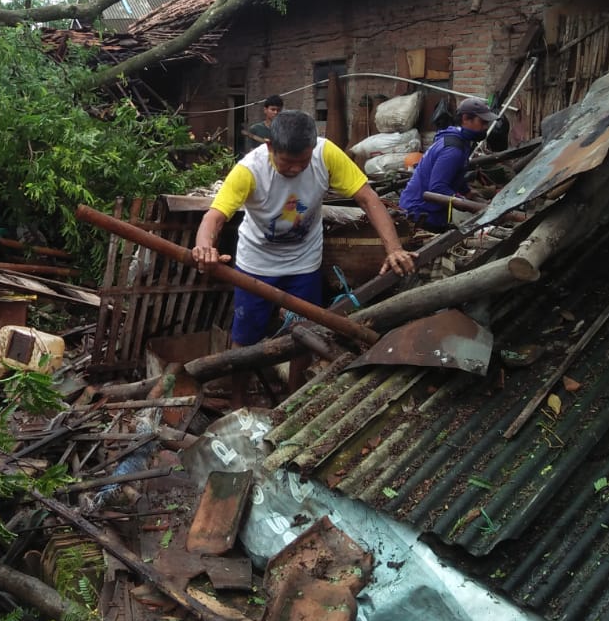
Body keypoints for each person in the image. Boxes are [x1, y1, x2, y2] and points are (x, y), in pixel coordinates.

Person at [193, 110, 416, 403]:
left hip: (304, 264)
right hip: (256, 265)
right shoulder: (249, 170)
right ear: (271, 147)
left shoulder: (326, 154)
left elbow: (367, 198)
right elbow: (215, 217)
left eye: (303, 161)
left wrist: (394, 248)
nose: (297, 169)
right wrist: (204, 247)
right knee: (245, 338)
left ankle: (292, 399)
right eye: (288, 163)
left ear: (313, 147)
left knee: (305, 335)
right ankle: (238, 402)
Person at [397, 96, 500, 230]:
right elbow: (437, 187)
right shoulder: (453, 150)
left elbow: (452, 174)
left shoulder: (460, 142)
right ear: (465, 119)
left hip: (431, 211)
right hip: (419, 213)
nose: (485, 127)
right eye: (483, 122)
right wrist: (464, 202)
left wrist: (467, 192)